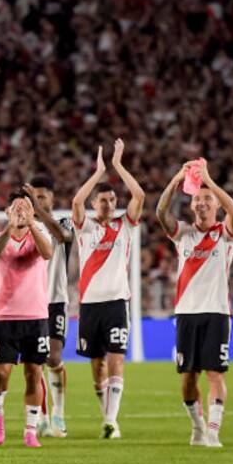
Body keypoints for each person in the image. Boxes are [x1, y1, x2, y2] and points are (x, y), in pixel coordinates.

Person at [156, 160, 233, 447]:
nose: (202, 203)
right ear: (191, 205)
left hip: (217, 313)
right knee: (188, 377)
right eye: (197, 199)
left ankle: (214, 432)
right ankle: (198, 426)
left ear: (215, 203)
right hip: (186, 313)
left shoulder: (226, 235)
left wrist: (209, 180)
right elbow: (160, 212)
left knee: (216, 373)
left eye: (207, 199)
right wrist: (178, 178)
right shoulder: (183, 234)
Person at [71, 140, 145, 439]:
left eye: (112, 200)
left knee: (116, 358)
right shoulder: (85, 227)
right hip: (90, 305)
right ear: (94, 204)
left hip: (116, 303)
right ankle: (107, 417)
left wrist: (118, 166)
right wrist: (98, 172)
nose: (109, 204)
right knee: (97, 364)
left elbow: (139, 195)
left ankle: (112, 421)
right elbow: (76, 202)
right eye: (103, 200)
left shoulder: (125, 225)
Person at [0, 189, 54, 448]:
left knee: (33, 374)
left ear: (33, 212)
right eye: (16, 207)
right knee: (2, 372)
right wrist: (10, 228)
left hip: (36, 316)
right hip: (5, 317)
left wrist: (32, 223)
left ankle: (30, 430)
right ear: (7, 212)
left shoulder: (40, 235)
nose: (20, 211)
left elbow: (47, 253)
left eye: (25, 207)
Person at [27, 175, 73, 437]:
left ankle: (59, 414)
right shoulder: (26, 226)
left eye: (42, 196)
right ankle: (41, 416)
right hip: (31, 302)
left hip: (55, 299)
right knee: (36, 361)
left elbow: (62, 237)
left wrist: (35, 206)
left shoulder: (63, 223)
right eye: (35, 196)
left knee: (54, 357)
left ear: (52, 199)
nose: (38, 201)